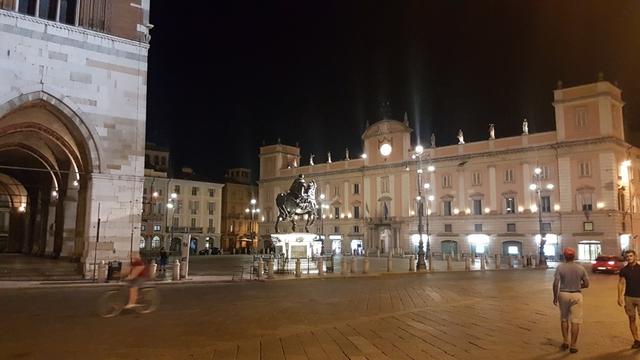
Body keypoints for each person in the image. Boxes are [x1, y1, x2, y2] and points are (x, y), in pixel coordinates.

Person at [553, 247, 589, 354]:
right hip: (577, 295)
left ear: (564, 256)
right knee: (576, 321)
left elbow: (555, 283)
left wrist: (555, 296)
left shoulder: (560, 267)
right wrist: (578, 286)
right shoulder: (580, 268)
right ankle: (573, 345)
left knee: (564, 319)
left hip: (563, 294)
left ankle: (565, 341)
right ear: (574, 256)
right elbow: (587, 284)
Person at [618, 250, 640, 349]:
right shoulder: (624, 270)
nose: (629, 258)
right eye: (627, 256)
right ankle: (636, 340)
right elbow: (621, 283)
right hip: (629, 298)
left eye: (631, 256)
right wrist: (619, 297)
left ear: (635, 256)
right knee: (631, 319)